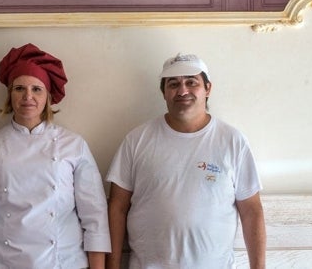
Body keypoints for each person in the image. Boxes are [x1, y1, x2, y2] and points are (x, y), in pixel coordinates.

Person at [106, 53, 266, 269]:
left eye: (191, 82)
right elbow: (117, 207)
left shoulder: (232, 141)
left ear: (207, 88)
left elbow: (251, 210)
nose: (183, 91)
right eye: (173, 84)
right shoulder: (136, 140)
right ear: (163, 92)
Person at [0, 43, 110, 268]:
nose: (27, 96)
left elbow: (95, 215)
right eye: (19, 88)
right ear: (9, 94)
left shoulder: (74, 145)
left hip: (62, 261)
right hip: (0, 261)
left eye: (36, 89)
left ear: (48, 96)